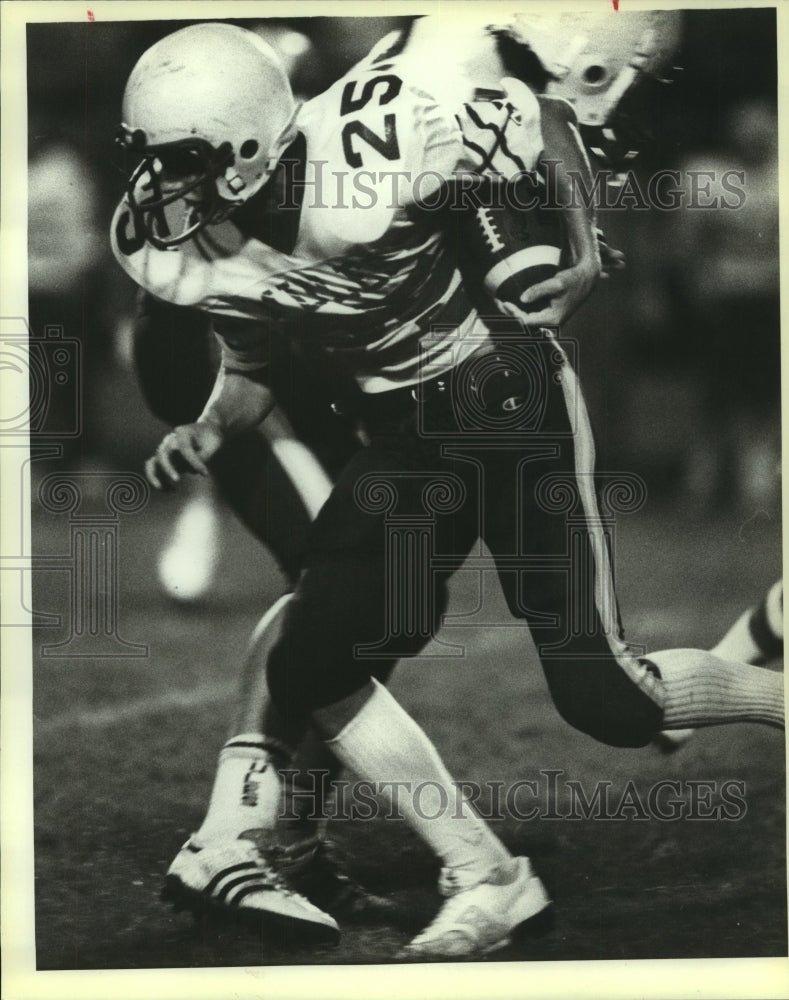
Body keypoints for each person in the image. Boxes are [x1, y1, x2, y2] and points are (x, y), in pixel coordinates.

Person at [112, 15, 783, 960]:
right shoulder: (174, 242)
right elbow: (256, 347)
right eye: (149, 155)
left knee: (609, 705)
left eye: (181, 158)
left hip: (504, 399)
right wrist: (212, 423)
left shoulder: (385, 140)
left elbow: (539, 117)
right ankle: (486, 875)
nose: (159, 181)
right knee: (315, 657)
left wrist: (582, 248)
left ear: (254, 144)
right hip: (403, 434)